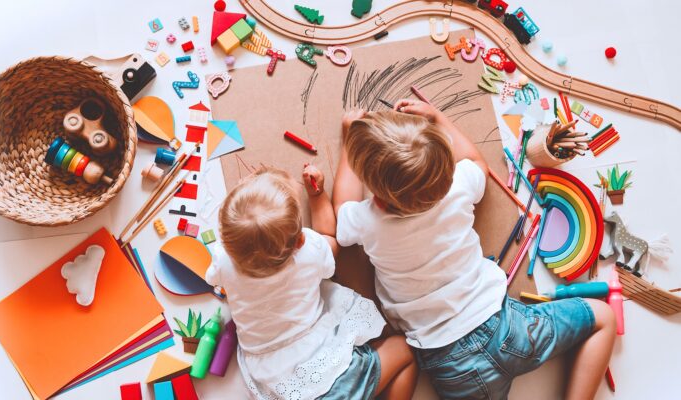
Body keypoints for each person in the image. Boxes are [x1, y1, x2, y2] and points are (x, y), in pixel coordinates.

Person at [332, 102, 615, 400]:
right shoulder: (457, 187)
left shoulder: (368, 221)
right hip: (506, 326)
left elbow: (341, 209)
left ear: (377, 199)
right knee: (602, 318)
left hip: (451, 362)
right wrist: (437, 117)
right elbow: (476, 163)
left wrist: (350, 139)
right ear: (445, 174)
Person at [205, 166, 418, 400]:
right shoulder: (308, 254)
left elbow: (211, 277)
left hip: (278, 383)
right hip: (331, 376)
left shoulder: (224, 261)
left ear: (227, 243)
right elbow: (330, 238)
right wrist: (317, 195)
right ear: (300, 240)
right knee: (406, 349)